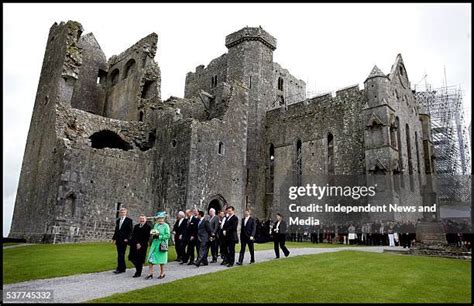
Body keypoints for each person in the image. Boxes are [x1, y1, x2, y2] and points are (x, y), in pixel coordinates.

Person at [145, 211, 170, 279]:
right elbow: (154, 231)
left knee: (161, 260)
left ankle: (162, 273)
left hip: (161, 245)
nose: (160, 220)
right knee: (150, 258)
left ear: (163, 218)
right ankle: (150, 273)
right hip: (155, 244)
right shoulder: (156, 225)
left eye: (161, 218)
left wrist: (159, 236)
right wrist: (153, 234)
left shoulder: (166, 226)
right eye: (159, 218)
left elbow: (167, 235)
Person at [112, 207, 133, 274]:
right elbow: (116, 230)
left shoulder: (129, 220)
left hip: (124, 240)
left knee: (121, 254)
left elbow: (130, 231)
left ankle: (119, 269)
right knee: (120, 254)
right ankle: (122, 268)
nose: (122, 213)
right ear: (120, 213)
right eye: (121, 212)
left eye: (124, 212)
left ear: (126, 213)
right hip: (118, 239)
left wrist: (127, 238)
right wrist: (114, 238)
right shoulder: (118, 220)